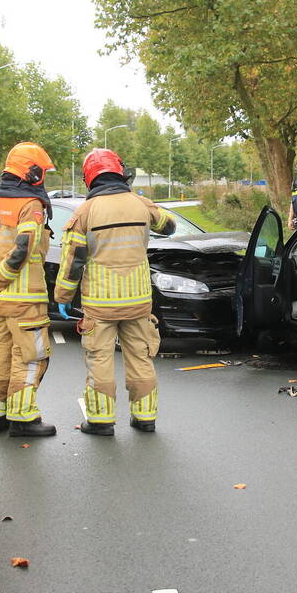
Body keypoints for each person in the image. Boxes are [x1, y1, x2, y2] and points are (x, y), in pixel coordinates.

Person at [54, 149, 176, 436]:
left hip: (100, 305)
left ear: (89, 177)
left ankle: (100, 421)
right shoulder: (141, 204)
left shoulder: (84, 212)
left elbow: (73, 261)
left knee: (100, 360)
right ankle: (145, 418)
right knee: (140, 358)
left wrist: (62, 297)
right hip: (138, 302)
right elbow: (169, 227)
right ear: (120, 173)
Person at [0, 142, 58, 436]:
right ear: (31, 172)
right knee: (29, 357)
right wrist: (2, 276)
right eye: (41, 172)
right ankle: (24, 419)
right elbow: (24, 248)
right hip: (26, 303)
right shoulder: (30, 205)